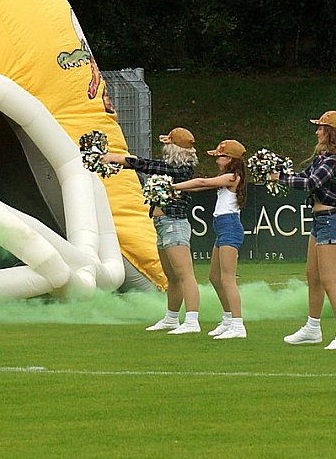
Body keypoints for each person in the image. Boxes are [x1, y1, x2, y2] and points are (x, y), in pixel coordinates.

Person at [269, 111, 336, 349]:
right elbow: (303, 176)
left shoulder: (333, 160)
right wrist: (281, 173)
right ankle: (312, 328)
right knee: (313, 276)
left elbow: (311, 183)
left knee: (329, 281)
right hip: (320, 222)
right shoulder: (322, 158)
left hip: (331, 221)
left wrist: (279, 178)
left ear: (331, 133)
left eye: (320, 128)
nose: (317, 132)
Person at [103, 127, 201, 334]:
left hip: (174, 224)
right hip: (163, 224)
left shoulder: (180, 170)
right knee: (172, 277)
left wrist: (115, 158)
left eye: (168, 145)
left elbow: (145, 164)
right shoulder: (172, 168)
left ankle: (192, 320)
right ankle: (171, 319)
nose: (164, 148)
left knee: (185, 275)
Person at [172, 140, 248, 340]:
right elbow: (200, 186)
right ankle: (228, 319)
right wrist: (178, 188)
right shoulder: (227, 176)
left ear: (230, 159)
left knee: (227, 278)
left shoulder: (232, 177)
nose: (216, 160)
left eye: (220, 156)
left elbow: (203, 183)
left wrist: (173, 187)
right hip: (222, 227)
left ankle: (238, 325)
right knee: (215, 277)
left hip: (230, 227)